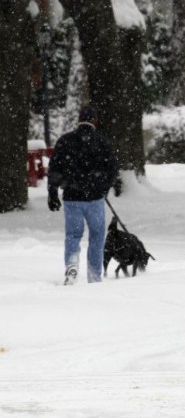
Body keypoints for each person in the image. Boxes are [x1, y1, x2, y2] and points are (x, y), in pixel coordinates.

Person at [47, 106, 119, 285]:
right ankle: (94, 274)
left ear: (79, 120)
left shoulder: (65, 141)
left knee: (73, 235)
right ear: (95, 121)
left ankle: (71, 264)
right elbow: (112, 170)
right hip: (94, 198)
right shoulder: (102, 142)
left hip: (72, 197)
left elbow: (55, 168)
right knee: (96, 235)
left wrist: (53, 192)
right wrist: (104, 187)